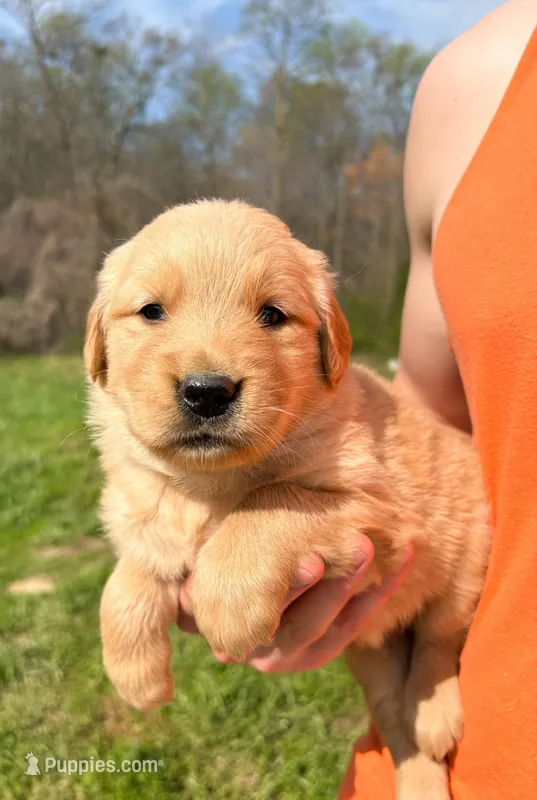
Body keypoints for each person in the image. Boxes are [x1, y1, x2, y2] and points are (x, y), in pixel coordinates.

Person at [180, 2, 537, 796]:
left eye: (273, 315)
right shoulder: (472, 85)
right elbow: (429, 424)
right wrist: (300, 572)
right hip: (467, 748)